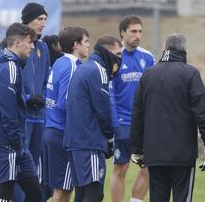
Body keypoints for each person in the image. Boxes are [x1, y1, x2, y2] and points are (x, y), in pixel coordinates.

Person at [130, 34, 205, 202]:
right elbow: (202, 114)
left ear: (165, 49)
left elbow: (137, 114)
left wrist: (136, 149)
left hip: (154, 153)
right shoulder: (191, 74)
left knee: (157, 198)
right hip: (183, 155)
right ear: (184, 50)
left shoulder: (148, 75)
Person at [0, 22, 42, 202]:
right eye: (29, 42)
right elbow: (7, 111)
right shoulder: (8, 67)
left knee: (35, 192)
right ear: (17, 43)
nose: (32, 46)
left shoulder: (10, 66)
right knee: (4, 194)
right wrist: (16, 140)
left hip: (15, 142)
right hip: (6, 142)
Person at [64, 35, 122, 202]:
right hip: (89, 141)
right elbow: (104, 111)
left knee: (82, 194)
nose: (120, 58)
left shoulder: (84, 68)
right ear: (108, 52)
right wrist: (110, 139)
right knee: (94, 193)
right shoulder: (98, 70)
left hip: (75, 141)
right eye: (117, 54)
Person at [110, 15, 155, 202]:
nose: (138, 35)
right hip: (123, 123)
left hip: (144, 123)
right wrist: (114, 123)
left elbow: (155, 88)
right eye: (133, 31)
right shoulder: (114, 57)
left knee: (149, 166)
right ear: (122, 32)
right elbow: (109, 93)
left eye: (140, 31)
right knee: (121, 168)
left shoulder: (147, 57)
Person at [44, 26, 90, 202]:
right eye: (85, 41)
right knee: (63, 191)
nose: (88, 45)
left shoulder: (59, 62)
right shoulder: (72, 65)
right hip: (63, 132)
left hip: (52, 130)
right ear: (76, 44)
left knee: (61, 189)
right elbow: (65, 102)